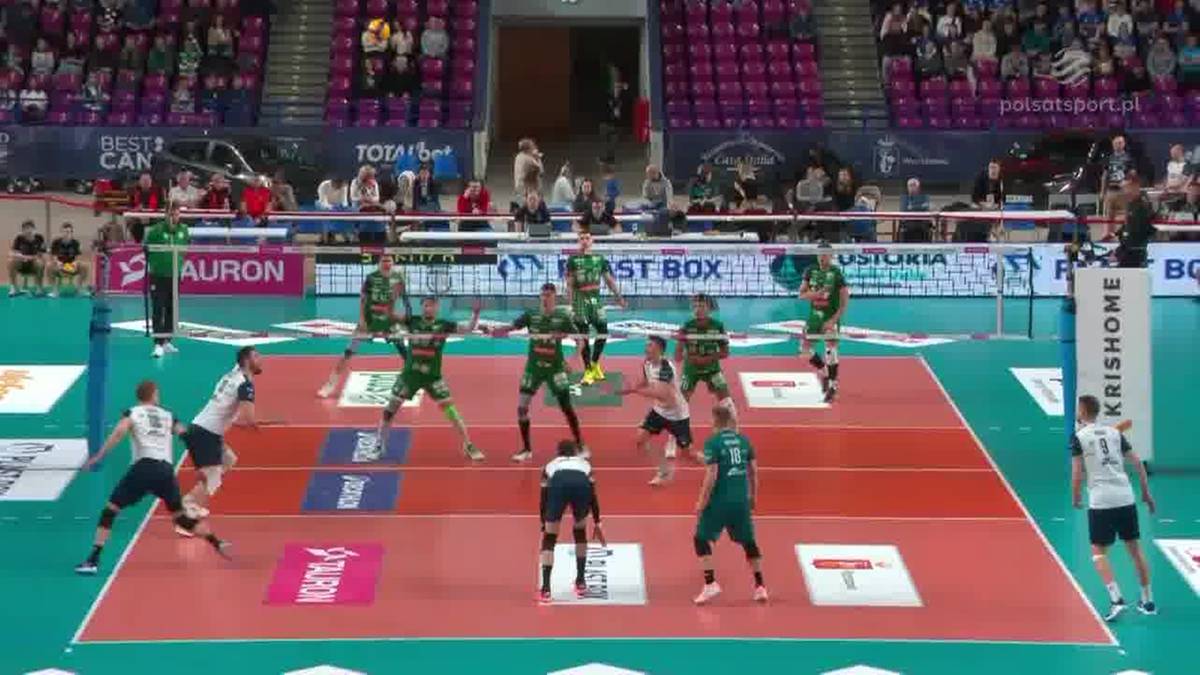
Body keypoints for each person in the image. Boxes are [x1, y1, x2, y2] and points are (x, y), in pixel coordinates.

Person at [74, 380, 231, 575]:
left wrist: (99, 456)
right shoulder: (168, 415)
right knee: (181, 518)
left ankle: (93, 560)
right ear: (154, 394)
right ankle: (216, 541)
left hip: (143, 468)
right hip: (166, 472)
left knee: (110, 510)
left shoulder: (133, 412)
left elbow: (120, 432)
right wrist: (200, 465)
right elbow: (188, 436)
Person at [1071, 395, 1156, 621]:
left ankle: (1116, 599)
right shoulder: (1114, 433)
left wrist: (1076, 496)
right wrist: (1145, 493)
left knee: (1098, 552)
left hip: (1101, 500)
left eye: (1078, 409)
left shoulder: (1079, 437)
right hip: (1125, 497)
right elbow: (1137, 464)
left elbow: (1077, 471)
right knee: (1135, 550)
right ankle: (1148, 601)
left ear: (1082, 411)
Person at [484, 283, 586, 463]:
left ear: (554, 297)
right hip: (534, 368)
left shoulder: (562, 317)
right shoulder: (531, 315)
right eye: (543, 295)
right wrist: (493, 331)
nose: (545, 298)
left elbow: (580, 341)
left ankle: (580, 444)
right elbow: (511, 327)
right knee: (522, 408)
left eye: (549, 295)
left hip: (555, 368)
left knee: (566, 408)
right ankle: (526, 449)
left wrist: (572, 360)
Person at [376, 296, 484, 461]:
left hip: (433, 377)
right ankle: (379, 443)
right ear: (422, 307)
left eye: (432, 306)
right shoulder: (412, 321)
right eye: (426, 306)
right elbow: (391, 318)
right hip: (410, 376)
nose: (429, 309)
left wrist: (475, 314)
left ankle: (468, 444)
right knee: (391, 408)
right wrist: (389, 303)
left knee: (451, 410)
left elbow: (468, 329)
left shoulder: (444, 325)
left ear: (437, 308)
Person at [176, 346, 263, 531]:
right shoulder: (245, 385)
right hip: (206, 433)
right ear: (247, 361)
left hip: (203, 428)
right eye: (256, 356)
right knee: (213, 478)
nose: (260, 359)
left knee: (228, 459)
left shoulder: (231, 375)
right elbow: (248, 418)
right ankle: (187, 514)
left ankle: (195, 498)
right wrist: (256, 424)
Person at [692, 404, 767, 605]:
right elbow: (753, 471)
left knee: (701, 539)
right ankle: (760, 586)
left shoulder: (713, 442)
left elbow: (712, 474)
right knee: (749, 542)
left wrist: (701, 501)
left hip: (719, 501)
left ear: (716, 420)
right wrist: (753, 496)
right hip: (741, 501)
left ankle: (710, 584)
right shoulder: (744, 441)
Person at [318, 255, 409, 398]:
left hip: (388, 321)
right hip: (370, 319)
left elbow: (400, 300)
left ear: (393, 263)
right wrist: (362, 320)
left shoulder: (398, 279)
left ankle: (411, 383)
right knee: (348, 352)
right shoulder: (371, 278)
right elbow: (363, 300)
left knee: (404, 351)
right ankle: (330, 385)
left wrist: (401, 318)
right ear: (379, 263)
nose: (386, 263)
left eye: (389, 261)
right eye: (384, 261)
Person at [537, 439, 605, 604]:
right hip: (581, 485)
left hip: (558, 484)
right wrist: (597, 520)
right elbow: (593, 495)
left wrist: (544, 521)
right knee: (580, 532)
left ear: (558, 453)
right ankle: (580, 582)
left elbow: (544, 497)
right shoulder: (585, 465)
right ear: (575, 452)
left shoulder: (550, 465)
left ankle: (546, 589)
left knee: (550, 538)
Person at [670, 294, 735, 461]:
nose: (698, 309)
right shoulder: (687, 326)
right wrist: (680, 346)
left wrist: (708, 359)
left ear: (709, 308)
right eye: (695, 306)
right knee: (679, 405)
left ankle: (733, 438)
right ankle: (672, 442)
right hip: (691, 370)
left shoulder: (718, 326)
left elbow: (725, 352)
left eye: (702, 306)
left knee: (728, 403)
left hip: (712, 369)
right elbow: (677, 356)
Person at [621, 336, 691, 487]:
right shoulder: (647, 363)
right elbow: (644, 381)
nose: (646, 349)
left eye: (650, 346)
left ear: (659, 350)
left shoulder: (666, 369)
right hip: (659, 411)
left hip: (677, 415)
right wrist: (629, 388)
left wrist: (636, 391)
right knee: (641, 439)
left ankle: (717, 468)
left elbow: (663, 395)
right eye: (646, 345)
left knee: (688, 454)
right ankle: (663, 471)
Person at [565, 231, 627, 385]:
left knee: (603, 332)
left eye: (587, 238)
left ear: (592, 241)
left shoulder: (600, 259)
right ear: (578, 241)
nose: (584, 241)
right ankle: (587, 370)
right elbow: (569, 285)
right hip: (580, 301)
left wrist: (619, 297)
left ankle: (594, 364)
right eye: (581, 238)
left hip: (595, 301)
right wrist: (571, 306)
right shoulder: (573, 260)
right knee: (583, 336)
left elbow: (609, 280)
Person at [798, 242, 850, 403]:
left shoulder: (836, 273)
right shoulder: (810, 271)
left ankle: (833, 387)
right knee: (804, 349)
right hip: (814, 316)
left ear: (831, 255)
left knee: (831, 348)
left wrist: (834, 319)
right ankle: (824, 372)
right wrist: (817, 294)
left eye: (825, 254)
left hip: (830, 317)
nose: (822, 257)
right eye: (820, 253)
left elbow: (845, 298)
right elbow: (801, 294)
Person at [143, 203, 191, 358]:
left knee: (172, 309)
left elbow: (185, 248)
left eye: (177, 214)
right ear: (166, 215)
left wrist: (179, 264)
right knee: (158, 308)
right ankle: (158, 344)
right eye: (171, 214)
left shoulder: (184, 230)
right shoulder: (156, 230)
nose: (174, 217)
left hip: (175, 275)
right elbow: (146, 248)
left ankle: (167, 341)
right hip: (158, 276)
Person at [1114, 172, 1155, 268]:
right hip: (1128, 251)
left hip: (1136, 252)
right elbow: (1128, 225)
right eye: (1123, 188)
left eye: (1126, 188)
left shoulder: (1142, 205)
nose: (1124, 192)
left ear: (1135, 186)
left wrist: (1121, 249)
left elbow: (1139, 231)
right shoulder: (1130, 204)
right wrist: (1117, 233)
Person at [48, 222, 90, 297]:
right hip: (60, 266)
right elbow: (53, 256)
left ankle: (79, 289)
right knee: (49, 266)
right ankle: (55, 291)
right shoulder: (56, 242)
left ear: (71, 233)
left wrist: (75, 263)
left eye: (68, 232)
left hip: (72, 266)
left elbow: (78, 257)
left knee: (85, 266)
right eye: (64, 232)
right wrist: (57, 262)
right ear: (61, 232)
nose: (66, 234)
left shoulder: (76, 243)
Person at [8, 220, 46, 297]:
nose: (29, 231)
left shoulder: (39, 238)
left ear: (34, 229)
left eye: (30, 228)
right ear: (22, 231)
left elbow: (41, 254)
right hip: (22, 264)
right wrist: (23, 257)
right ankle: (14, 288)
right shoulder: (19, 238)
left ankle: (39, 288)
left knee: (40, 262)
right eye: (26, 229)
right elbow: (12, 253)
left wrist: (30, 258)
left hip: (34, 264)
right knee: (11, 261)